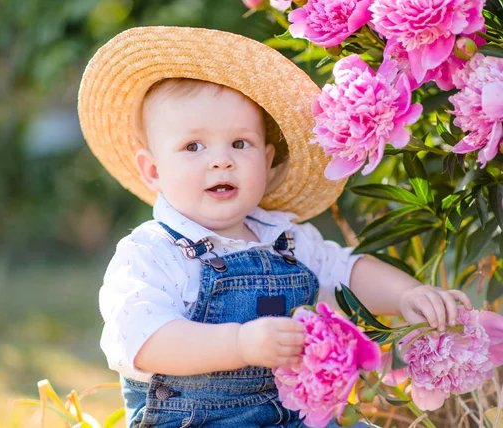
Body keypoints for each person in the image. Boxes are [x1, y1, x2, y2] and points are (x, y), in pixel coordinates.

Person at [77, 26, 473, 428]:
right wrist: (239, 343)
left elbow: (346, 271)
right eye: (193, 146)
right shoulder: (150, 253)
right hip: (195, 419)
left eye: (240, 143)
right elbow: (144, 342)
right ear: (153, 170)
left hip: (293, 415)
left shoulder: (284, 239)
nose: (221, 160)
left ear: (267, 162)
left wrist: (407, 294)